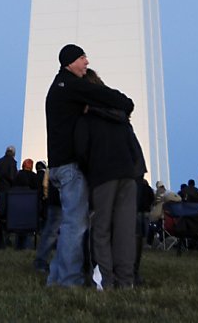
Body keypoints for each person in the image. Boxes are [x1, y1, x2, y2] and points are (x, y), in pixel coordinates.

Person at [45, 44, 134, 288]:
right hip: (69, 168)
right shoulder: (71, 85)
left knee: (68, 225)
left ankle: (55, 279)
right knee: (76, 225)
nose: (87, 62)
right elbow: (103, 95)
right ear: (70, 62)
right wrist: (126, 103)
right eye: (82, 57)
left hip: (57, 166)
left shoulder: (59, 86)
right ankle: (70, 281)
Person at [72, 69, 146, 290]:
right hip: (128, 176)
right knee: (125, 231)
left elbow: (81, 151)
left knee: (101, 229)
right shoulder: (120, 116)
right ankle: (126, 281)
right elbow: (134, 146)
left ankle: (106, 280)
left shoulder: (87, 118)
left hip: (103, 176)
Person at [0, 145, 18, 249]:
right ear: (13, 154)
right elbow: (13, 178)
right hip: (9, 193)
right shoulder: (12, 163)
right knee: (7, 217)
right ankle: (5, 240)